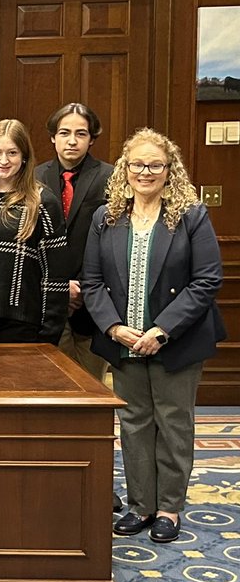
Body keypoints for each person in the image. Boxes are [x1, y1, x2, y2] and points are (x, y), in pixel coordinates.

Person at [84, 129, 225, 544]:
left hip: (176, 341)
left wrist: (162, 330)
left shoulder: (190, 214)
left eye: (155, 165)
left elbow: (206, 280)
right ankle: (140, 504)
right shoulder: (105, 217)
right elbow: (91, 282)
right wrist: (113, 327)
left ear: (169, 170)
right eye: (137, 164)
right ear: (125, 169)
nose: (145, 172)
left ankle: (169, 509)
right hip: (124, 341)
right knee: (134, 423)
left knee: (173, 422)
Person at [0, 119, 68, 343]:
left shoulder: (42, 201)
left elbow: (56, 275)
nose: (3, 160)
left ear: (24, 157)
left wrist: (50, 330)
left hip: (23, 323)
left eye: (12, 153)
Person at [35, 103, 112, 379]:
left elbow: (112, 244)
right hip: (48, 302)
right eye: (64, 132)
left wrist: (82, 286)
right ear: (53, 137)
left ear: (92, 139)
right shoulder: (34, 177)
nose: (71, 140)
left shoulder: (110, 177)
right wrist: (59, 287)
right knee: (55, 387)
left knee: (93, 387)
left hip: (93, 302)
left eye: (81, 134)